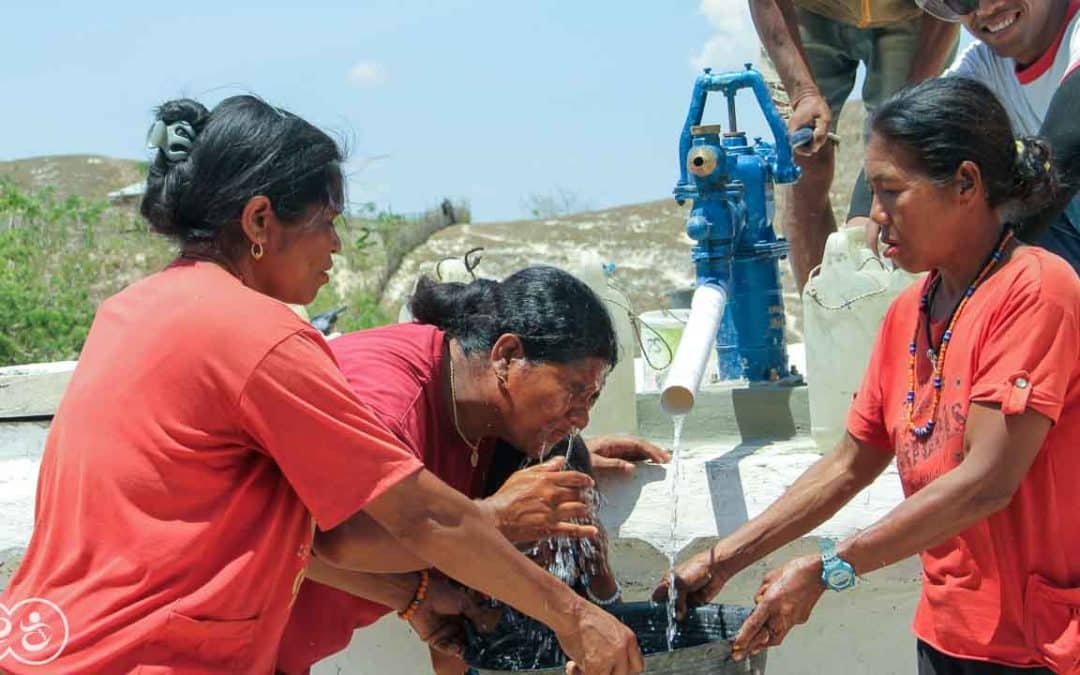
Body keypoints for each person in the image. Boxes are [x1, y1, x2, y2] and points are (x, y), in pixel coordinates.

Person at [0, 95, 643, 675]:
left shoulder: (131, 311)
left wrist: (415, 594)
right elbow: (415, 516)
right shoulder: (259, 336)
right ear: (259, 222)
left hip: (46, 643)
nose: (336, 247)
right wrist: (575, 616)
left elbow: (245, 522)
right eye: (325, 221)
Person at [654, 77, 1080, 674]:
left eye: (891, 192)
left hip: (1039, 648)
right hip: (947, 637)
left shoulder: (1037, 290)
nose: (876, 217)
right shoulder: (910, 310)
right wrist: (727, 557)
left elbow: (987, 482)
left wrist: (831, 567)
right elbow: (852, 460)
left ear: (965, 183)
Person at [275, 268, 670, 675]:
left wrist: (572, 449)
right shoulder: (391, 401)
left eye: (592, 398)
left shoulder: (487, 414)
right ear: (508, 355)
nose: (583, 417)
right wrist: (498, 518)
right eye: (573, 391)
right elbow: (335, 538)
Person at [749, 0, 959, 290]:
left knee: (904, 162)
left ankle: (904, 316)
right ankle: (823, 316)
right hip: (808, 12)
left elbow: (951, 7)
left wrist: (908, 111)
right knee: (805, 164)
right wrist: (804, 93)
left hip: (910, 14)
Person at [857, 0, 1080, 272]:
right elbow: (904, 138)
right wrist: (857, 230)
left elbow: (1067, 147)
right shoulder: (985, 66)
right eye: (960, 0)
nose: (985, 9)